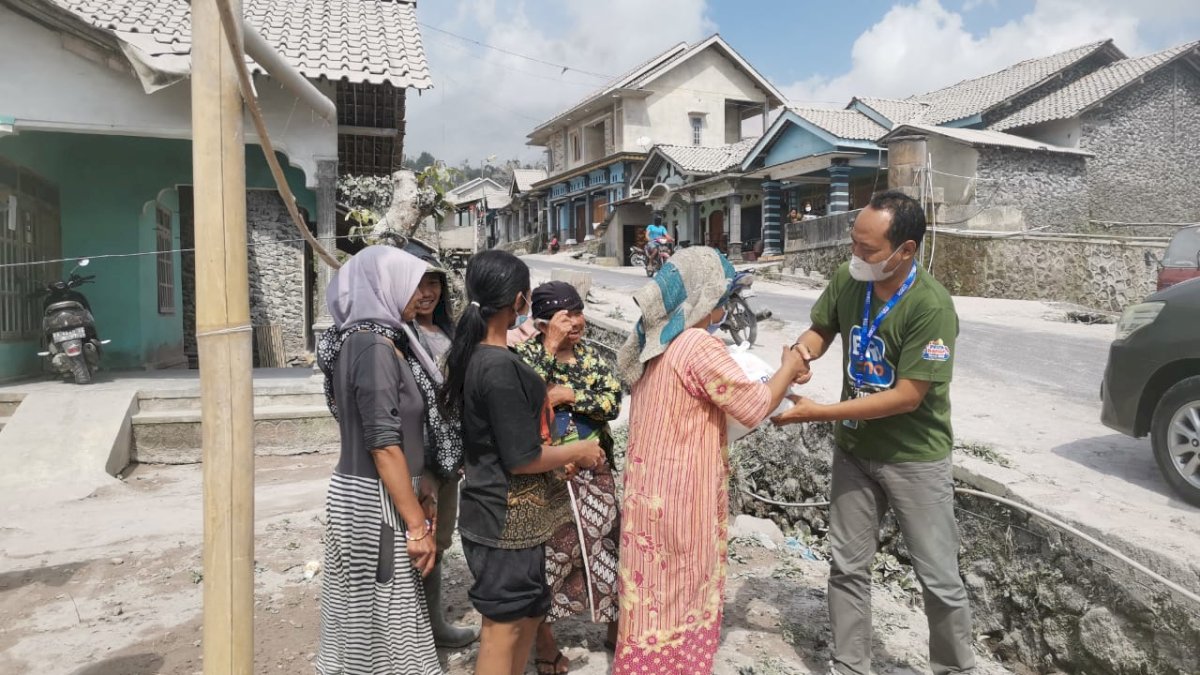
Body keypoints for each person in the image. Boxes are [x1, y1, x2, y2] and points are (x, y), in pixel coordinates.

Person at [772, 190, 972, 675]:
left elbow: (908, 396)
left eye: (869, 250)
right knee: (847, 566)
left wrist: (820, 413)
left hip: (914, 457)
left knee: (939, 577)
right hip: (856, 450)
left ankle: (954, 667)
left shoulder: (931, 306)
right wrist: (800, 354)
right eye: (853, 244)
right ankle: (850, 665)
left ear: (905, 251)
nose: (855, 257)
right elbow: (823, 327)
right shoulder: (849, 279)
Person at [612, 247, 809, 674]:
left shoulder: (655, 342)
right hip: (684, 496)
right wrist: (789, 367)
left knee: (650, 595)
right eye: (723, 296)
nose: (726, 306)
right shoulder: (697, 344)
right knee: (683, 589)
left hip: (650, 493)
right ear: (704, 299)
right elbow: (755, 404)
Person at [438, 250, 606, 675]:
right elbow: (522, 457)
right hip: (502, 518)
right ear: (519, 301)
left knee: (526, 614)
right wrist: (578, 452)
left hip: (515, 517)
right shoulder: (496, 367)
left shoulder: (481, 356)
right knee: (503, 627)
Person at [314, 245, 443, 675]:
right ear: (383, 286)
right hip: (374, 501)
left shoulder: (380, 341)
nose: (421, 293)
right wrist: (417, 526)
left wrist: (420, 484)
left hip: (382, 492)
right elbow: (383, 444)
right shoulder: (372, 348)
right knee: (388, 625)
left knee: (368, 626)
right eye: (410, 281)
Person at [513, 281, 622, 674]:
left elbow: (612, 401)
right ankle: (544, 645)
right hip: (548, 478)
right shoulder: (524, 356)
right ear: (542, 323)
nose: (576, 322)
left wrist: (569, 395)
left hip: (595, 470)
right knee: (551, 559)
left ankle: (615, 630)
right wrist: (548, 354)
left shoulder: (591, 357)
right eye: (566, 316)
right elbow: (524, 403)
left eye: (578, 312)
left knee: (608, 549)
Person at [409, 250, 482, 649]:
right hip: (421, 456)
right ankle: (418, 632)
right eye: (418, 284)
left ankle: (432, 626)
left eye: (434, 283)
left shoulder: (449, 333)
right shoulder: (400, 336)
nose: (427, 293)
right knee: (420, 537)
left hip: (452, 455)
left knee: (440, 541)